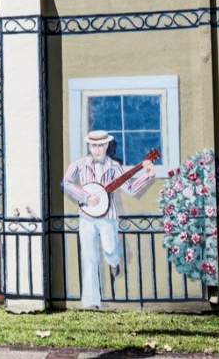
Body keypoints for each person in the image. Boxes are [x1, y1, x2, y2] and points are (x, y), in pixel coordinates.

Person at [62, 130, 155, 309]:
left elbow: (131, 188)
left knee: (111, 249)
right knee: (89, 258)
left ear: (106, 146)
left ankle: (114, 262)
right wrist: (86, 197)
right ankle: (91, 303)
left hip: (108, 217)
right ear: (89, 146)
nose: (97, 150)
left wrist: (148, 174)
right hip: (87, 217)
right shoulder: (79, 165)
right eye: (93, 145)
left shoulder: (114, 167)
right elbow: (66, 183)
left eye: (100, 146)